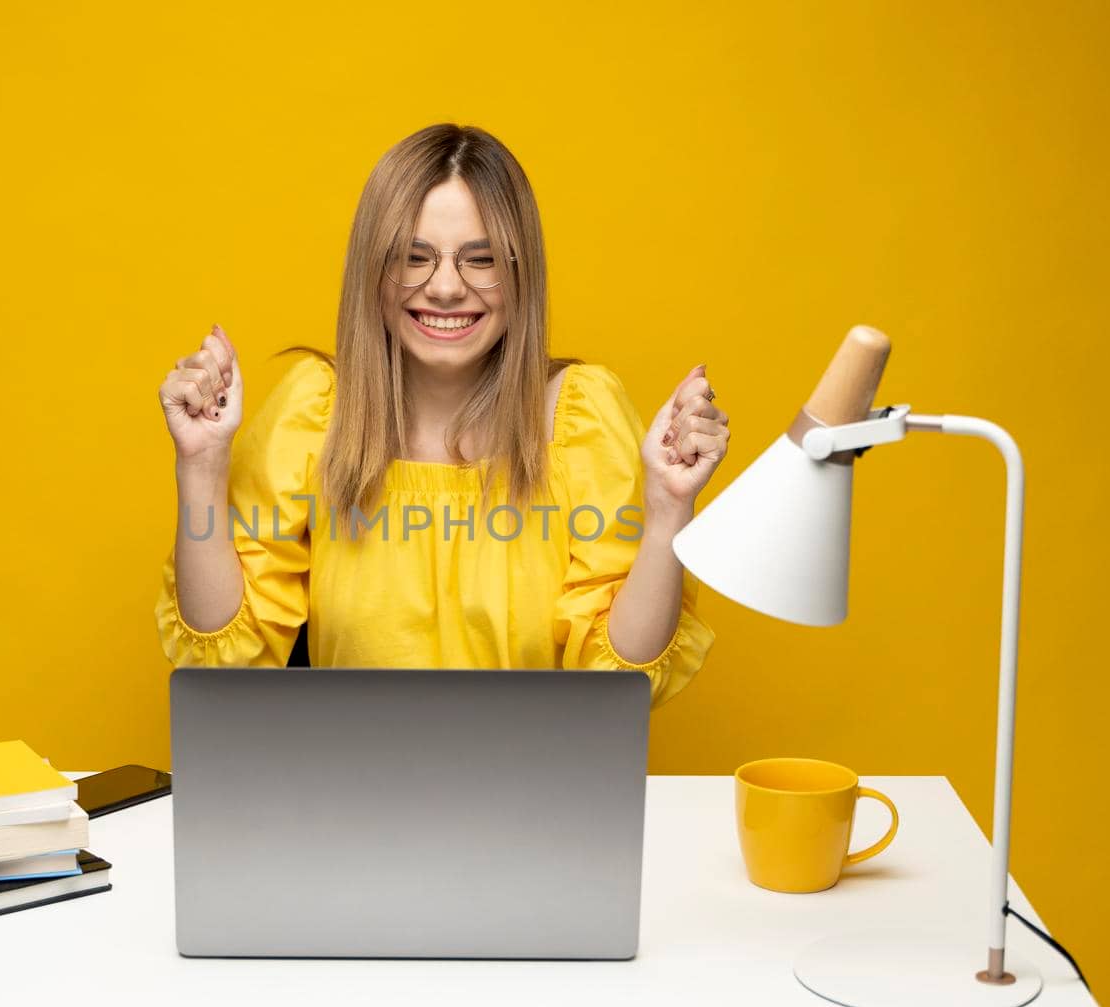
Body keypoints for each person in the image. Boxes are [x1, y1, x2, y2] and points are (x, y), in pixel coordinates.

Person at [154, 124, 729, 709]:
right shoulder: (314, 411)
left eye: (481, 259)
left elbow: (620, 684)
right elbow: (222, 658)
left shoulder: (583, 415)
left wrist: (667, 511)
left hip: (534, 786)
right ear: (372, 271)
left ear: (521, 272)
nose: (448, 288)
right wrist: (200, 465)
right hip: (351, 784)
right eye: (412, 257)